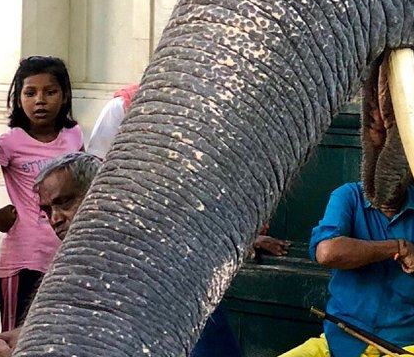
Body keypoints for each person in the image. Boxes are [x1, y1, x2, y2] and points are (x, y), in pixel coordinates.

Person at [86, 82, 289, 357]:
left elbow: (232, 182)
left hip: (193, 260)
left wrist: (245, 231)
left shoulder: (219, 111)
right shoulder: (124, 107)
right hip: (134, 254)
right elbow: (95, 177)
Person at [278, 182, 414, 357]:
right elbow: (326, 252)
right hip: (338, 345)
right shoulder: (347, 196)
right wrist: (396, 247)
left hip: (406, 347)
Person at [0, 57, 83, 333]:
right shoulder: (10, 142)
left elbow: (81, 184)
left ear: (64, 96)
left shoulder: (73, 136)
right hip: (21, 265)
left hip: (61, 260)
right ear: (18, 99)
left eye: (49, 92)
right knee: (17, 342)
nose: (39, 100)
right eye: (30, 93)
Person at [0, 152, 101, 357]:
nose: (55, 219)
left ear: (96, 194)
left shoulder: (111, 262)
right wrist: (16, 335)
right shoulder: (70, 263)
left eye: (65, 202)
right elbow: (60, 322)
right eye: (47, 211)